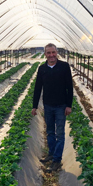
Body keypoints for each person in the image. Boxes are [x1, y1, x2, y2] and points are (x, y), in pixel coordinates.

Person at [32, 43, 73, 172]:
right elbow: (38, 88)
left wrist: (69, 105)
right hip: (48, 105)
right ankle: (51, 153)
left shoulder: (64, 67)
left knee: (60, 134)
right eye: (49, 53)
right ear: (45, 54)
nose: (51, 55)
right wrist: (34, 106)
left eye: (53, 52)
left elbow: (69, 87)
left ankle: (56, 160)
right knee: (50, 131)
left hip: (61, 106)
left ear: (57, 53)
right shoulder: (42, 69)